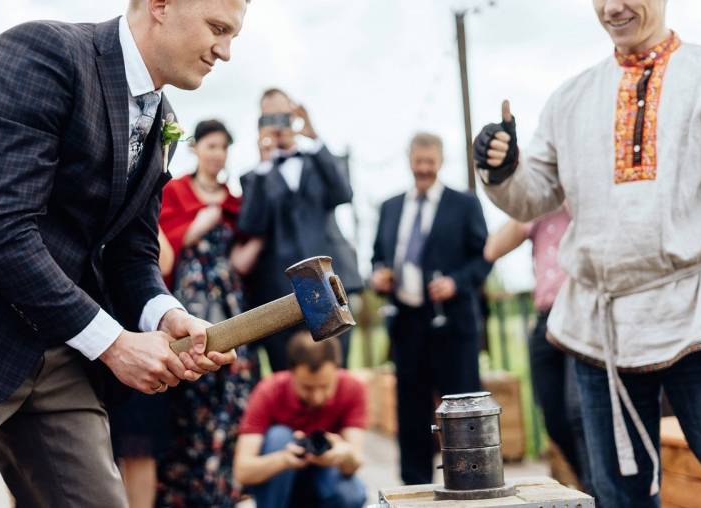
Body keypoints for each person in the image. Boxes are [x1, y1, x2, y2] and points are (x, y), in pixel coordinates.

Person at [0, 1, 248, 506]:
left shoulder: (163, 116)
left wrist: (166, 314)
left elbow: (132, 251)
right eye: (217, 28)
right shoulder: (43, 54)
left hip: (62, 354)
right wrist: (114, 343)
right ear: (161, 5)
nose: (225, 52)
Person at [474, 1, 701, 505]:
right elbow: (535, 195)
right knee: (618, 495)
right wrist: (502, 168)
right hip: (601, 325)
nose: (613, 7)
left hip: (700, 319)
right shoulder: (571, 98)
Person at [110, 119, 262, 507]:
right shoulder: (174, 191)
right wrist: (196, 226)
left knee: (227, 396)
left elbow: (240, 261)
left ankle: (218, 492)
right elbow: (157, 254)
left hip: (226, 306)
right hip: (181, 303)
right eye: (210, 145)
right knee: (182, 399)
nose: (217, 154)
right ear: (196, 149)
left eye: (223, 147)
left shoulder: (234, 200)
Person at [370, 132, 492, 485]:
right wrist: (379, 274)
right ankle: (416, 487)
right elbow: (378, 253)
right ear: (409, 160)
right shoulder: (390, 207)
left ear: (440, 162)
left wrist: (456, 282)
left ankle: (471, 483)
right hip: (407, 322)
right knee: (410, 412)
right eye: (418, 162)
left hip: (453, 325)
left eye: (430, 163)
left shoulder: (465, 204)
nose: (424, 169)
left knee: (461, 408)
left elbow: (482, 258)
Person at [238, 88, 362, 372]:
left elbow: (343, 192)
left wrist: (314, 137)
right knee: (287, 375)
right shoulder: (254, 176)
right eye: (269, 118)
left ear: (294, 115)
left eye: (283, 115)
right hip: (279, 291)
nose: (278, 124)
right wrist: (264, 163)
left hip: (331, 282)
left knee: (336, 372)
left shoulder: (319, 161)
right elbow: (250, 225)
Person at [484, 208, 592, 493]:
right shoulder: (540, 205)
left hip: (583, 311)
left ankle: (599, 491)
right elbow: (493, 249)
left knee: (578, 411)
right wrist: (536, 205)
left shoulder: (578, 194)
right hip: (547, 317)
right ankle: (590, 484)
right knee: (553, 416)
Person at [233, 332, 367, 508]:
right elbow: (242, 471)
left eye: (324, 386)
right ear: (291, 372)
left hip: (325, 477)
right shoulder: (269, 390)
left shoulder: (352, 387)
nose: (317, 397)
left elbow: (355, 462)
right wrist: (284, 459)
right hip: (280, 481)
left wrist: (342, 454)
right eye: (308, 388)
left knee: (352, 493)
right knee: (279, 436)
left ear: (337, 369)